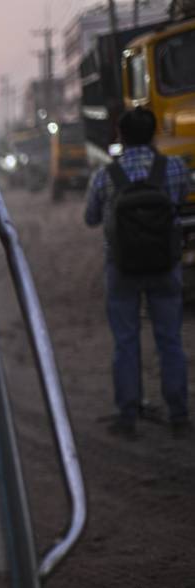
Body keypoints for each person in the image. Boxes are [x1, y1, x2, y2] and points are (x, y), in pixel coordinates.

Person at [85, 107, 191, 438]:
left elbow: (91, 218)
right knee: (170, 340)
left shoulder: (105, 175)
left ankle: (128, 415)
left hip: (122, 269)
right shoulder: (173, 167)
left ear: (120, 135)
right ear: (154, 132)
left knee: (126, 342)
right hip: (165, 265)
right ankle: (178, 414)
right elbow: (180, 200)